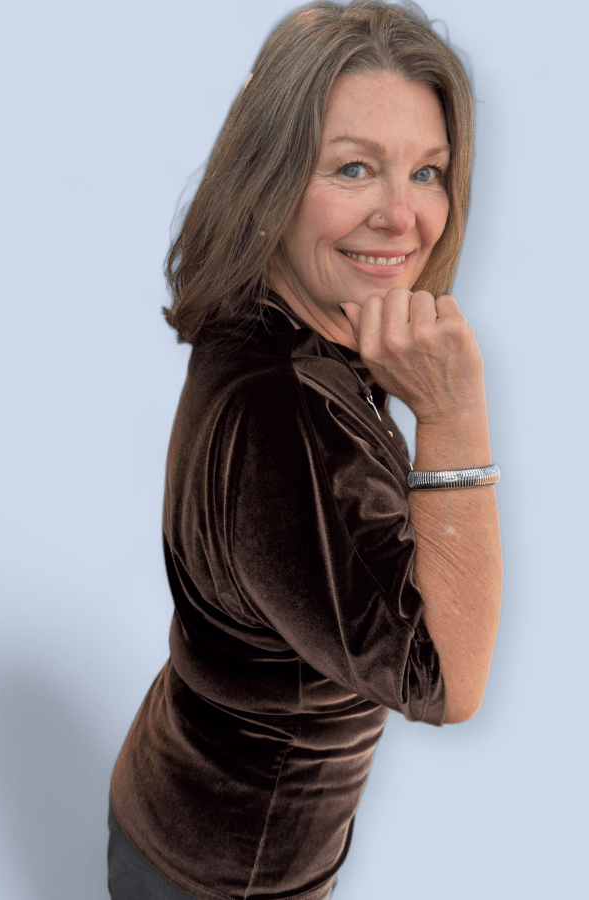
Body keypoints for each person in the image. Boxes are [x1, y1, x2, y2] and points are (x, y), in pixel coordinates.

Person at [108, 2, 503, 898]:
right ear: (272, 179)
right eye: (354, 168)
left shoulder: (270, 319)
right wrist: (454, 415)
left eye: (429, 171)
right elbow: (447, 680)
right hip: (225, 875)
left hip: (177, 793)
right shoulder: (285, 410)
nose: (403, 217)